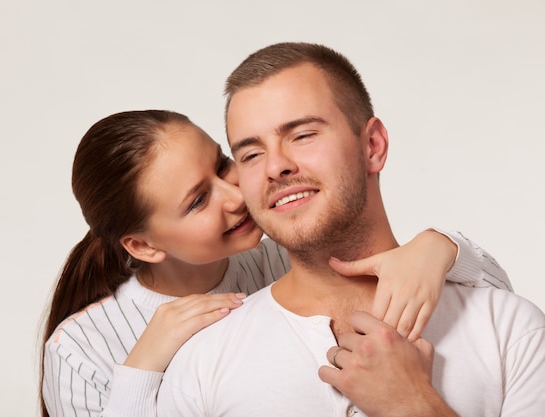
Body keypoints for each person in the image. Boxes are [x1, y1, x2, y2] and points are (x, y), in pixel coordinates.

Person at [156, 42, 545, 417]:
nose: (276, 167)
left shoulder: (512, 330)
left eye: (303, 135)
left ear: (372, 146)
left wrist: (412, 406)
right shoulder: (201, 361)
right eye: (251, 154)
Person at [40, 110, 512, 417]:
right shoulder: (80, 348)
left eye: (223, 164)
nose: (235, 194)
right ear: (143, 247)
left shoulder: (286, 256)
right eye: (198, 200)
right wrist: (142, 369)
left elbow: (497, 303)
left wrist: (441, 247)